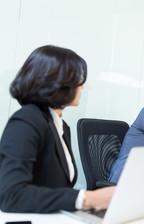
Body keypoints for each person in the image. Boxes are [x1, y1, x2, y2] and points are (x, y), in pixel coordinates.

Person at [0, 45, 115, 213]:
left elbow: (56, 187)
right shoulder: (26, 120)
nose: (82, 86)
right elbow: (12, 195)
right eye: (78, 79)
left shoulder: (59, 125)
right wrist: (88, 198)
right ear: (58, 83)